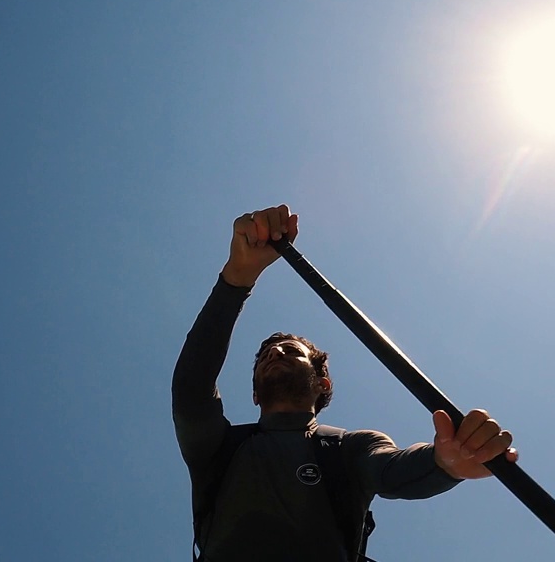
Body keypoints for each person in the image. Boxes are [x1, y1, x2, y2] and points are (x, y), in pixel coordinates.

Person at [173, 204, 518, 561]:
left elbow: (392, 469)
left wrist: (444, 464)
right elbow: (190, 389)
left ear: (323, 381)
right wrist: (237, 279)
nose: (275, 352)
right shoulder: (220, 448)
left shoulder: (348, 447)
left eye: (289, 350)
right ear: (255, 395)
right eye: (266, 356)